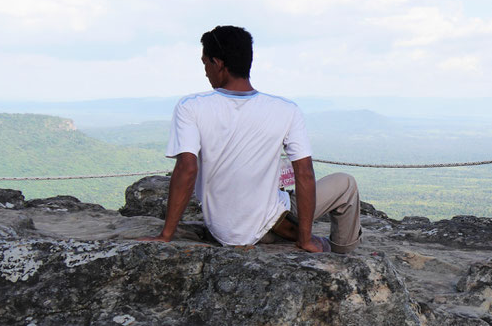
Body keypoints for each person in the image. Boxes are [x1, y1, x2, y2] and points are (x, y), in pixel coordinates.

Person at [143, 25, 361, 253]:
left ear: (218, 64)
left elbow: (187, 169)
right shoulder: (286, 109)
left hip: (222, 230)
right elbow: (304, 172)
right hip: (273, 223)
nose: (206, 71)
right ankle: (342, 252)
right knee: (346, 184)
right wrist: (305, 240)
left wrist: (166, 235)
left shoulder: (191, 107)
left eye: (205, 63)